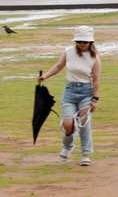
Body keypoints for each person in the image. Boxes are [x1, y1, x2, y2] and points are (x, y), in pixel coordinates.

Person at [38, 26, 101, 166]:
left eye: (85, 42)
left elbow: (96, 80)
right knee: (68, 124)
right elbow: (58, 66)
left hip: (86, 92)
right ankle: (68, 146)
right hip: (70, 91)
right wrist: (45, 76)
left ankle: (85, 153)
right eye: (79, 41)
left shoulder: (95, 57)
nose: (82, 45)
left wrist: (95, 99)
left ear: (91, 42)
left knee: (83, 124)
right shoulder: (68, 52)